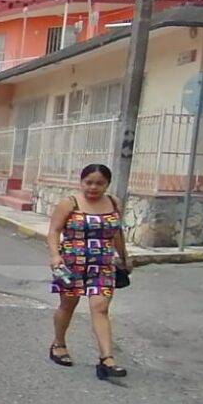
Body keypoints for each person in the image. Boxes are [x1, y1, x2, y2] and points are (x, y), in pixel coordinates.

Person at [46, 163, 132, 380]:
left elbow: (117, 233)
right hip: (71, 264)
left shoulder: (114, 203)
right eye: (89, 182)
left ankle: (107, 359)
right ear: (81, 182)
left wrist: (124, 257)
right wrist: (55, 256)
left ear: (107, 184)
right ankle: (58, 344)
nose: (93, 187)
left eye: (99, 183)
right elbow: (54, 231)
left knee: (100, 307)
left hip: (103, 265)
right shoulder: (69, 203)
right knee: (68, 305)